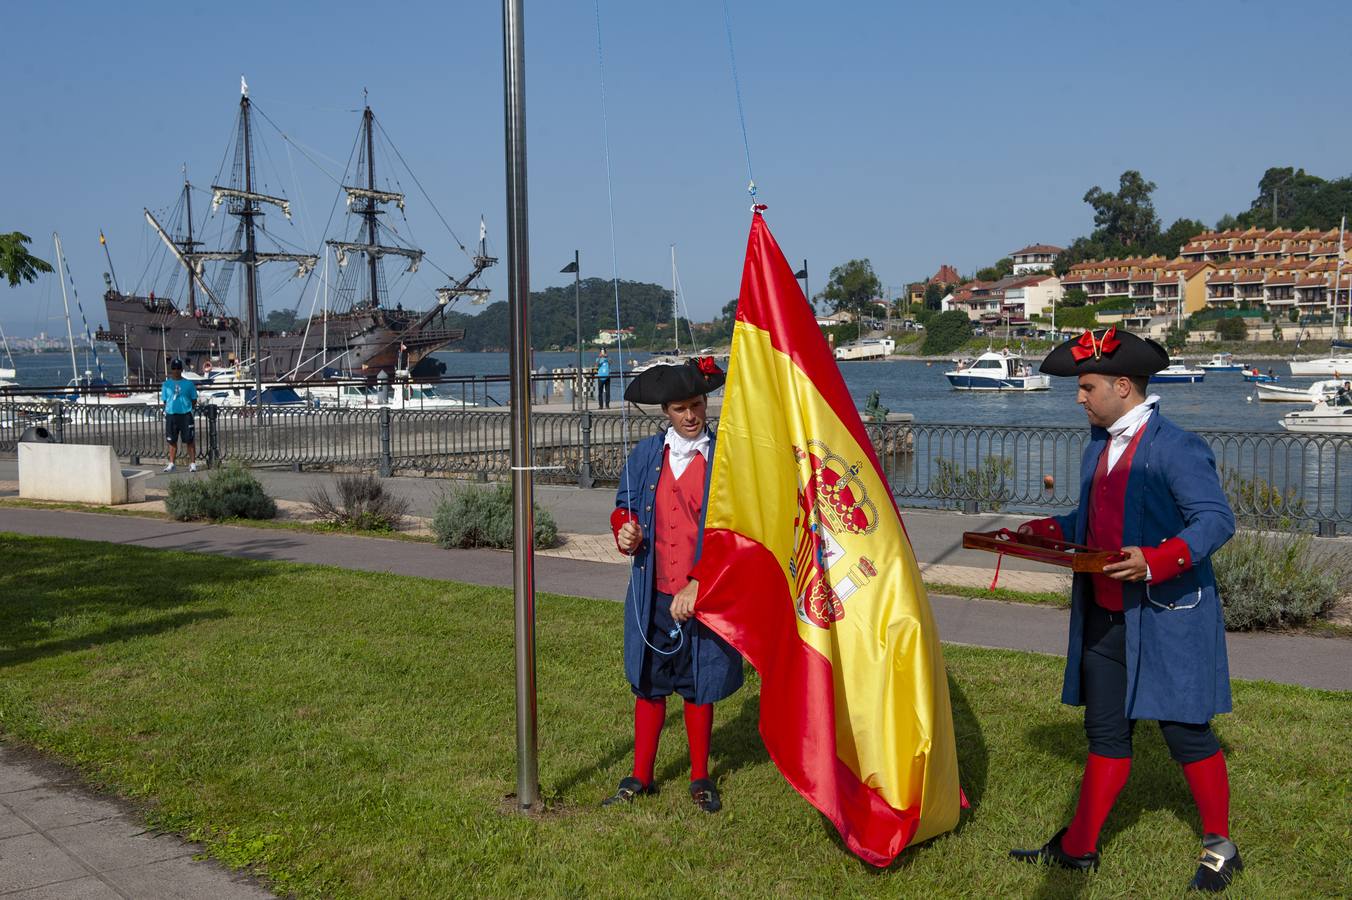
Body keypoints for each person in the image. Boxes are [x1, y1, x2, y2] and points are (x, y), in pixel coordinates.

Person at [1008, 328, 1241, 893]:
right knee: (1106, 734)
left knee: (1186, 730)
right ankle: (1079, 847)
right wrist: (1045, 532)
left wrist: (1157, 559)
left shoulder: (1177, 447)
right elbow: (1089, 522)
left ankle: (1221, 846)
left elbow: (1215, 520)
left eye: (1087, 387)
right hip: (1105, 618)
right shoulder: (1098, 446)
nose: (1079, 397)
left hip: (1168, 614)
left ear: (1122, 386)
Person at [605, 358, 743, 813]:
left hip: (703, 594)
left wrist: (698, 585)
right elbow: (624, 506)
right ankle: (640, 775)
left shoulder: (726, 459)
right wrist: (625, 530)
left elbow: (737, 532)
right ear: (665, 410)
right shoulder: (646, 454)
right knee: (649, 681)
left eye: (697, 405)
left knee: (697, 682)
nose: (690, 416)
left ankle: (700, 775)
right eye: (681, 408)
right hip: (653, 592)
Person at [161, 358, 199, 473]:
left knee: (189, 440)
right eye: (174, 368)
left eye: (178, 368)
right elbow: (165, 400)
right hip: (172, 415)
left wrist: (187, 408)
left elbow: (194, 399)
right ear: (171, 370)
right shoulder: (166, 384)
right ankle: (172, 463)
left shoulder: (189, 384)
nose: (176, 370)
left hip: (185, 415)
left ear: (181, 369)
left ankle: (192, 463)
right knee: (171, 440)